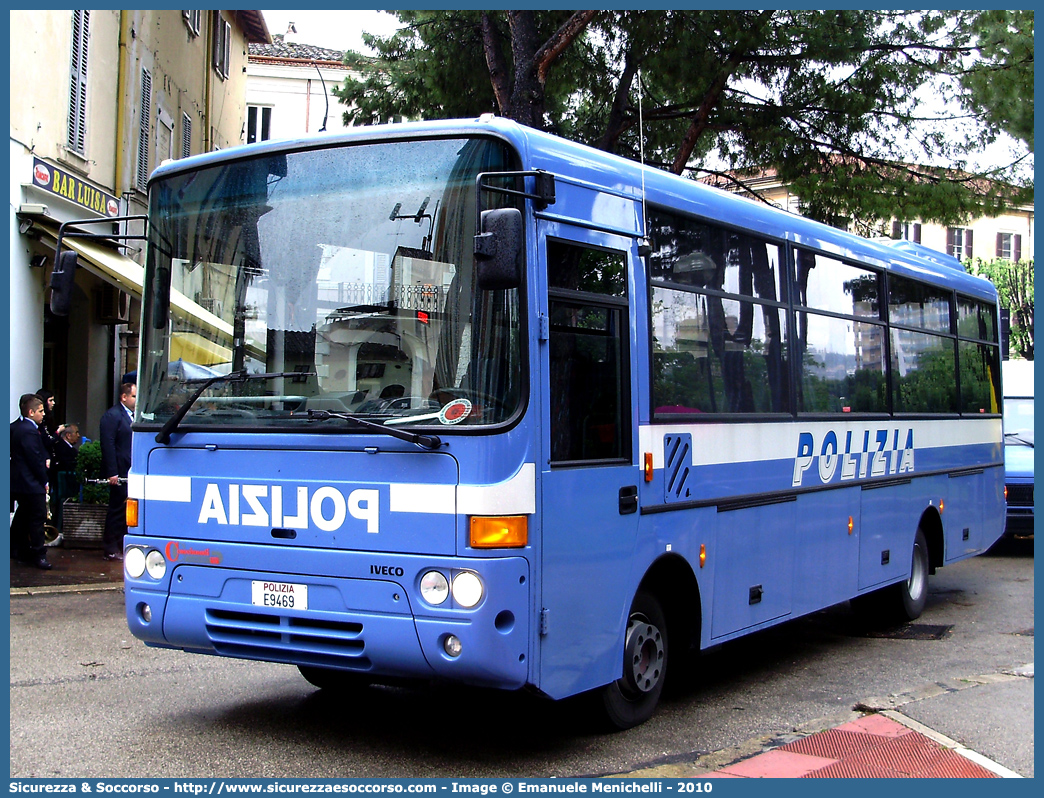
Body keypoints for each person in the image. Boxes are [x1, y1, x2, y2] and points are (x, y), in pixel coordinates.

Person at [10, 394, 53, 569]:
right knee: (37, 516)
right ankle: (38, 553)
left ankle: (17, 549)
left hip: (17, 481)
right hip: (30, 482)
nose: (43, 414)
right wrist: (44, 480)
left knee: (22, 515)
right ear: (31, 412)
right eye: (40, 411)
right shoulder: (28, 430)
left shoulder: (14, 426)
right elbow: (34, 458)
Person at [99, 382, 135, 561]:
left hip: (129, 469)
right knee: (117, 509)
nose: (136, 400)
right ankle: (110, 547)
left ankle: (121, 543)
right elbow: (108, 445)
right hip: (119, 470)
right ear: (124, 397)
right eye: (134, 396)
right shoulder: (112, 416)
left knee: (126, 508)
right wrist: (112, 471)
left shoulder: (132, 416)